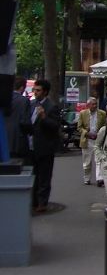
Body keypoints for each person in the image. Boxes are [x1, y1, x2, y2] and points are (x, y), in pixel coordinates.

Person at [25, 79, 60, 213]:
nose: (35, 92)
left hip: (45, 147)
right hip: (31, 146)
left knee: (44, 176)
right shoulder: (31, 103)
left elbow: (55, 126)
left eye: (38, 90)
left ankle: (42, 202)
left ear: (45, 92)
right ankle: (33, 201)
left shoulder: (51, 106)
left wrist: (44, 117)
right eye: (34, 90)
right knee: (33, 174)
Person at [77, 97, 107, 186]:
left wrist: (100, 134)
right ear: (88, 105)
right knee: (87, 162)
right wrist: (87, 133)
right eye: (93, 104)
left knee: (99, 160)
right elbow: (79, 127)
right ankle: (87, 178)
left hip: (98, 140)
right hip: (87, 140)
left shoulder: (102, 113)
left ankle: (99, 178)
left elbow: (105, 126)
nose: (95, 106)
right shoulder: (83, 114)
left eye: (96, 104)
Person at [4, 76, 30, 160]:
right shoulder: (24, 101)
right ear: (22, 87)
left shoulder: (5, 99)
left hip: (4, 137)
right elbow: (25, 121)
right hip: (18, 139)